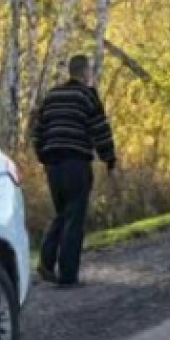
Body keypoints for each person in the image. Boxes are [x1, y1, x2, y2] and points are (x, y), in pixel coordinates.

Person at [33, 54, 117, 287]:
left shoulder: (52, 96)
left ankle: (47, 262)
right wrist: (109, 160)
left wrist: (43, 156)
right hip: (76, 162)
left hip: (53, 165)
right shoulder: (87, 96)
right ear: (85, 72)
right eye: (90, 70)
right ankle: (68, 275)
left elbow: (38, 130)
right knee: (75, 217)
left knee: (62, 213)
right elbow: (100, 129)